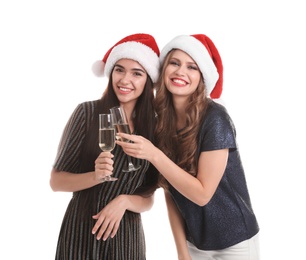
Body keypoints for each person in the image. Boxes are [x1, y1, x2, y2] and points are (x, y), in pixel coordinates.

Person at [116, 34, 260, 260]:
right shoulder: (159, 119)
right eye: (174, 63)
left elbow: (202, 194)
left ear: (201, 77)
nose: (180, 72)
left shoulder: (215, 119)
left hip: (235, 242)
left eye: (191, 67)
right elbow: (170, 190)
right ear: (163, 70)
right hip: (195, 242)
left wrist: (154, 154)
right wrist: (182, 252)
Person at [49, 33, 160, 260]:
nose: (124, 80)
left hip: (126, 237)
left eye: (136, 73)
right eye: (119, 70)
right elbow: (56, 181)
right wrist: (95, 176)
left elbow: (148, 198)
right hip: (81, 233)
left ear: (147, 80)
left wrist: (124, 201)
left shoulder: (155, 127)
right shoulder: (87, 113)